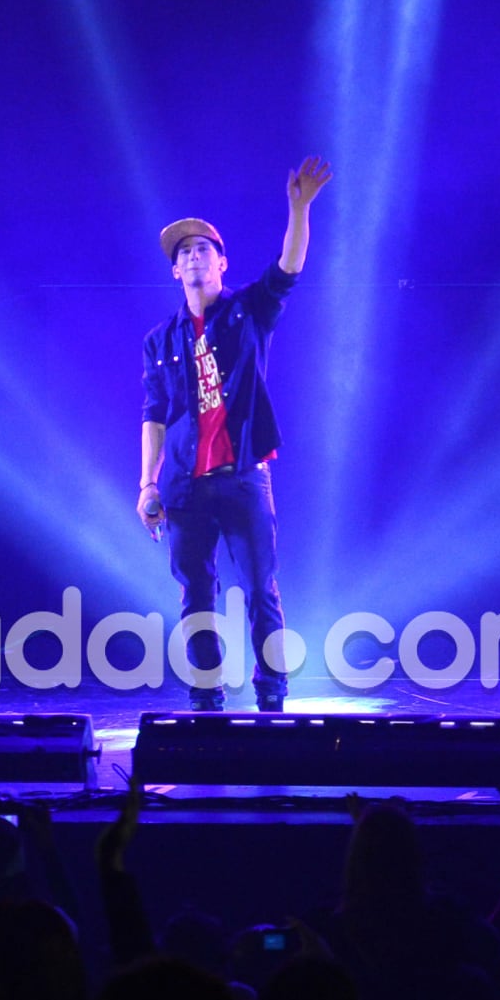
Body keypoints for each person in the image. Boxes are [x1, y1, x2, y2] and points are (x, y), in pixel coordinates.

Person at [138, 156, 331, 711]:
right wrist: (147, 485)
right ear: (175, 272)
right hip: (183, 486)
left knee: (261, 590)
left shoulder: (247, 311)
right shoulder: (160, 340)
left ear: (222, 262)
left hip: (244, 477)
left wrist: (299, 208)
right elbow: (153, 413)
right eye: (183, 253)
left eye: (202, 249)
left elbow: (287, 269)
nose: (192, 256)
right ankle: (207, 695)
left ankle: (272, 693)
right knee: (196, 594)